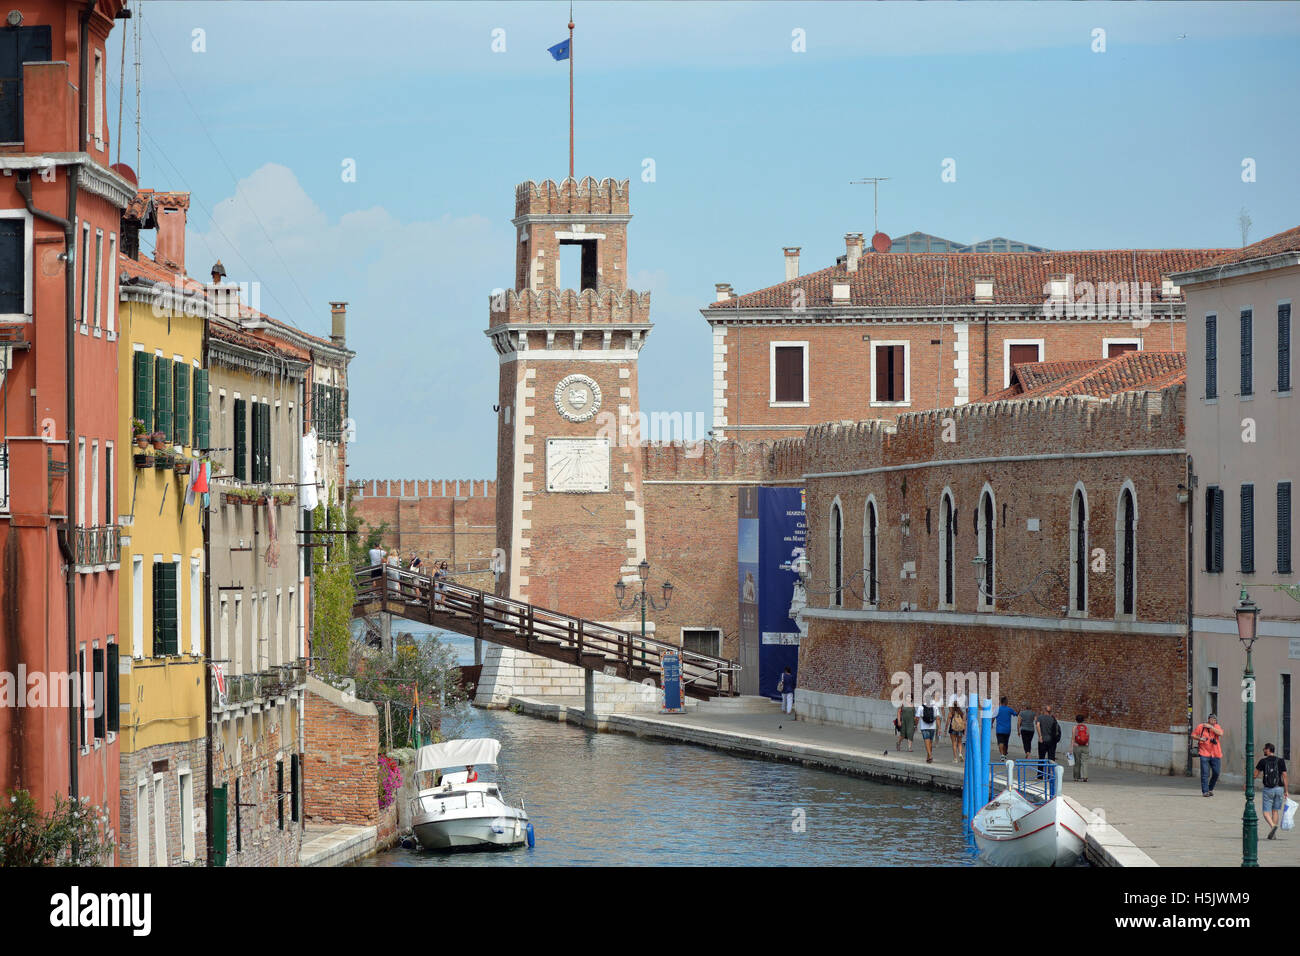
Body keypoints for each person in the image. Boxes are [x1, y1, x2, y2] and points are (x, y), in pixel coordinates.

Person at [1255, 743, 1289, 839]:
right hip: (1279, 789)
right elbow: (1285, 776)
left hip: (1268, 789)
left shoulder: (1263, 761)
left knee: (1266, 812)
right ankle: (1273, 834)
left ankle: (1273, 826)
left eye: (1264, 749)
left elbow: (1255, 775)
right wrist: (1286, 790)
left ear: (1268, 749)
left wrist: (1247, 783)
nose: (1264, 751)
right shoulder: (1281, 761)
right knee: (1275, 811)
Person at [1193, 713, 1224, 797]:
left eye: (1215, 720)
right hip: (1204, 753)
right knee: (1205, 773)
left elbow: (1220, 733)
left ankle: (1210, 788)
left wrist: (1211, 727)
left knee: (1216, 773)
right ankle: (1205, 791)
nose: (1213, 721)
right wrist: (1200, 738)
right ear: (1208, 719)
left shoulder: (1216, 727)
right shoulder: (1201, 726)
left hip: (1216, 754)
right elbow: (1193, 735)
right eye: (1212, 719)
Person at [918, 692, 942, 763]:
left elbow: (917, 718)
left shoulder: (921, 707)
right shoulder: (934, 707)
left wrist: (915, 725)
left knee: (927, 742)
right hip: (933, 727)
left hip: (924, 727)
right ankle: (928, 757)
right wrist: (939, 728)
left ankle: (930, 755)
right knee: (930, 743)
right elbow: (937, 718)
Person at [1070, 713, 1090, 782]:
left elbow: (1073, 738)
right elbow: (1088, 737)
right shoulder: (1086, 728)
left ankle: (1076, 777)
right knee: (1085, 762)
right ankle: (1085, 777)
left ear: (1076, 720)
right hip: (1085, 746)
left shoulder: (1075, 728)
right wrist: (1087, 744)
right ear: (1083, 720)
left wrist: (1071, 748)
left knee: (1077, 762)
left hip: (1077, 746)